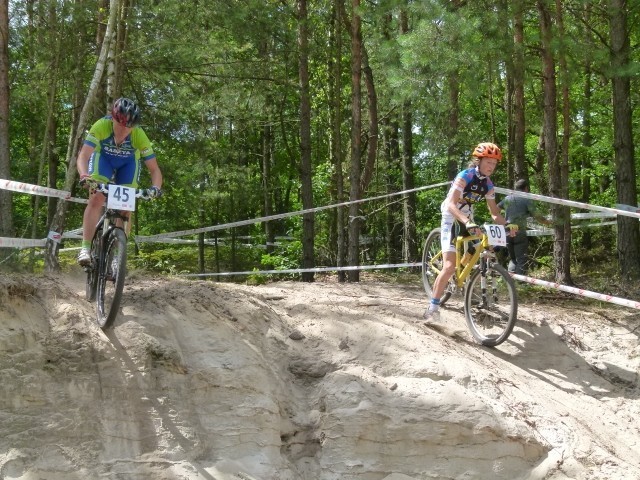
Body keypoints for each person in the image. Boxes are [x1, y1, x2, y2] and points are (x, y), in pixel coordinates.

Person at [424, 142, 517, 321]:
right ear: (479, 161)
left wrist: (507, 224)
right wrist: (466, 222)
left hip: (467, 216)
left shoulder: (488, 184)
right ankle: (432, 307)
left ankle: (465, 275)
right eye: (488, 162)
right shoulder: (464, 176)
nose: (491, 167)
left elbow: (494, 213)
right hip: (451, 215)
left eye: (494, 164)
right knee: (449, 266)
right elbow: (451, 204)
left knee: (484, 245)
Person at [76, 97, 163, 266]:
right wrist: (84, 175)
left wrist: (155, 188)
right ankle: (85, 248)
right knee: (96, 198)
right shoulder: (101, 126)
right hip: (104, 159)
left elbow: (154, 169)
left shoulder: (139, 135)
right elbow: (84, 156)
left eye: (129, 127)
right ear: (113, 119)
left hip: (128, 164)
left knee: (126, 208)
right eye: (121, 125)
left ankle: (118, 255)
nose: (125, 130)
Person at [497, 178, 551, 275]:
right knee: (521, 258)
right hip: (519, 231)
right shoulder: (526, 199)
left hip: (507, 231)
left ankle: (511, 282)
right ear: (526, 188)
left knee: (513, 259)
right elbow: (537, 215)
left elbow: (495, 209)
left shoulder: (508, 198)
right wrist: (547, 222)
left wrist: (502, 221)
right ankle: (521, 283)